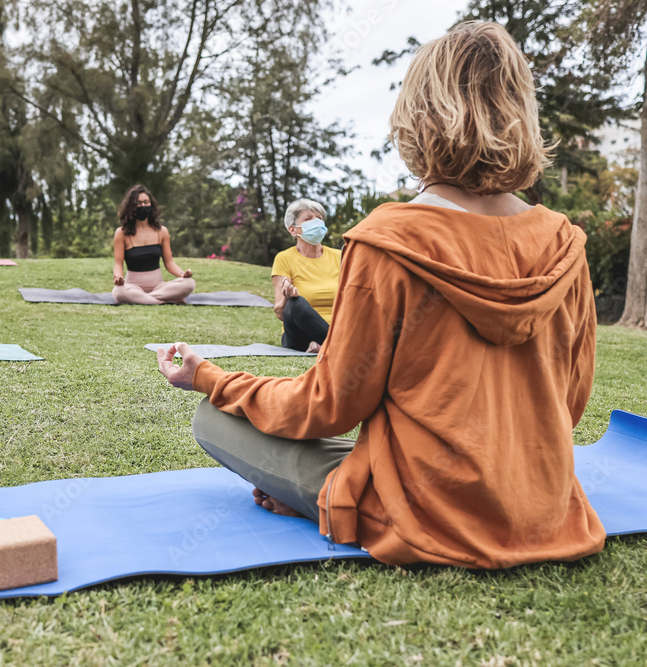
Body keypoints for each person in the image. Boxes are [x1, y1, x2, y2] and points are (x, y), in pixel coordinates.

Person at [156, 22, 605, 569]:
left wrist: (208, 377)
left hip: (423, 515)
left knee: (212, 417)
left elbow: (328, 407)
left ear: (419, 118)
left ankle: (327, 502)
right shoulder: (566, 245)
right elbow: (570, 405)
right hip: (545, 511)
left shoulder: (389, 240)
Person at [271, 200, 341, 353]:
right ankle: (337, 346)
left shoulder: (340, 257)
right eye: (308, 219)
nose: (316, 222)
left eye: (319, 218)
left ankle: (325, 344)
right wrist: (287, 298)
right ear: (293, 230)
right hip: (299, 337)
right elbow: (279, 311)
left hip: (340, 329)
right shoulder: (284, 258)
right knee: (296, 303)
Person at [112, 185, 195, 304]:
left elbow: (169, 262)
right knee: (119, 292)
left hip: (159, 287)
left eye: (146, 202)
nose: (143, 206)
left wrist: (182, 274)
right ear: (131, 207)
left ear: (151, 205)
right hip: (133, 287)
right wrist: (118, 277)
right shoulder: (121, 233)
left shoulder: (162, 231)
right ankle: (165, 300)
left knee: (189, 283)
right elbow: (118, 264)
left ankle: (146, 299)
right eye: (139, 203)